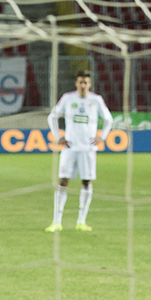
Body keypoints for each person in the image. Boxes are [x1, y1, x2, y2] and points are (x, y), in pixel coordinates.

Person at [45, 70, 113, 233]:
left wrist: (102, 137)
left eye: (86, 82)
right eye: (80, 82)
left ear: (90, 84)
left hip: (88, 149)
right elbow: (52, 116)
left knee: (86, 182)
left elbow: (108, 119)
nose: (83, 85)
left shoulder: (96, 100)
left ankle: (81, 221)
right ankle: (56, 222)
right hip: (70, 147)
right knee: (63, 181)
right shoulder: (68, 98)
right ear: (76, 83)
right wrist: (58, 137)